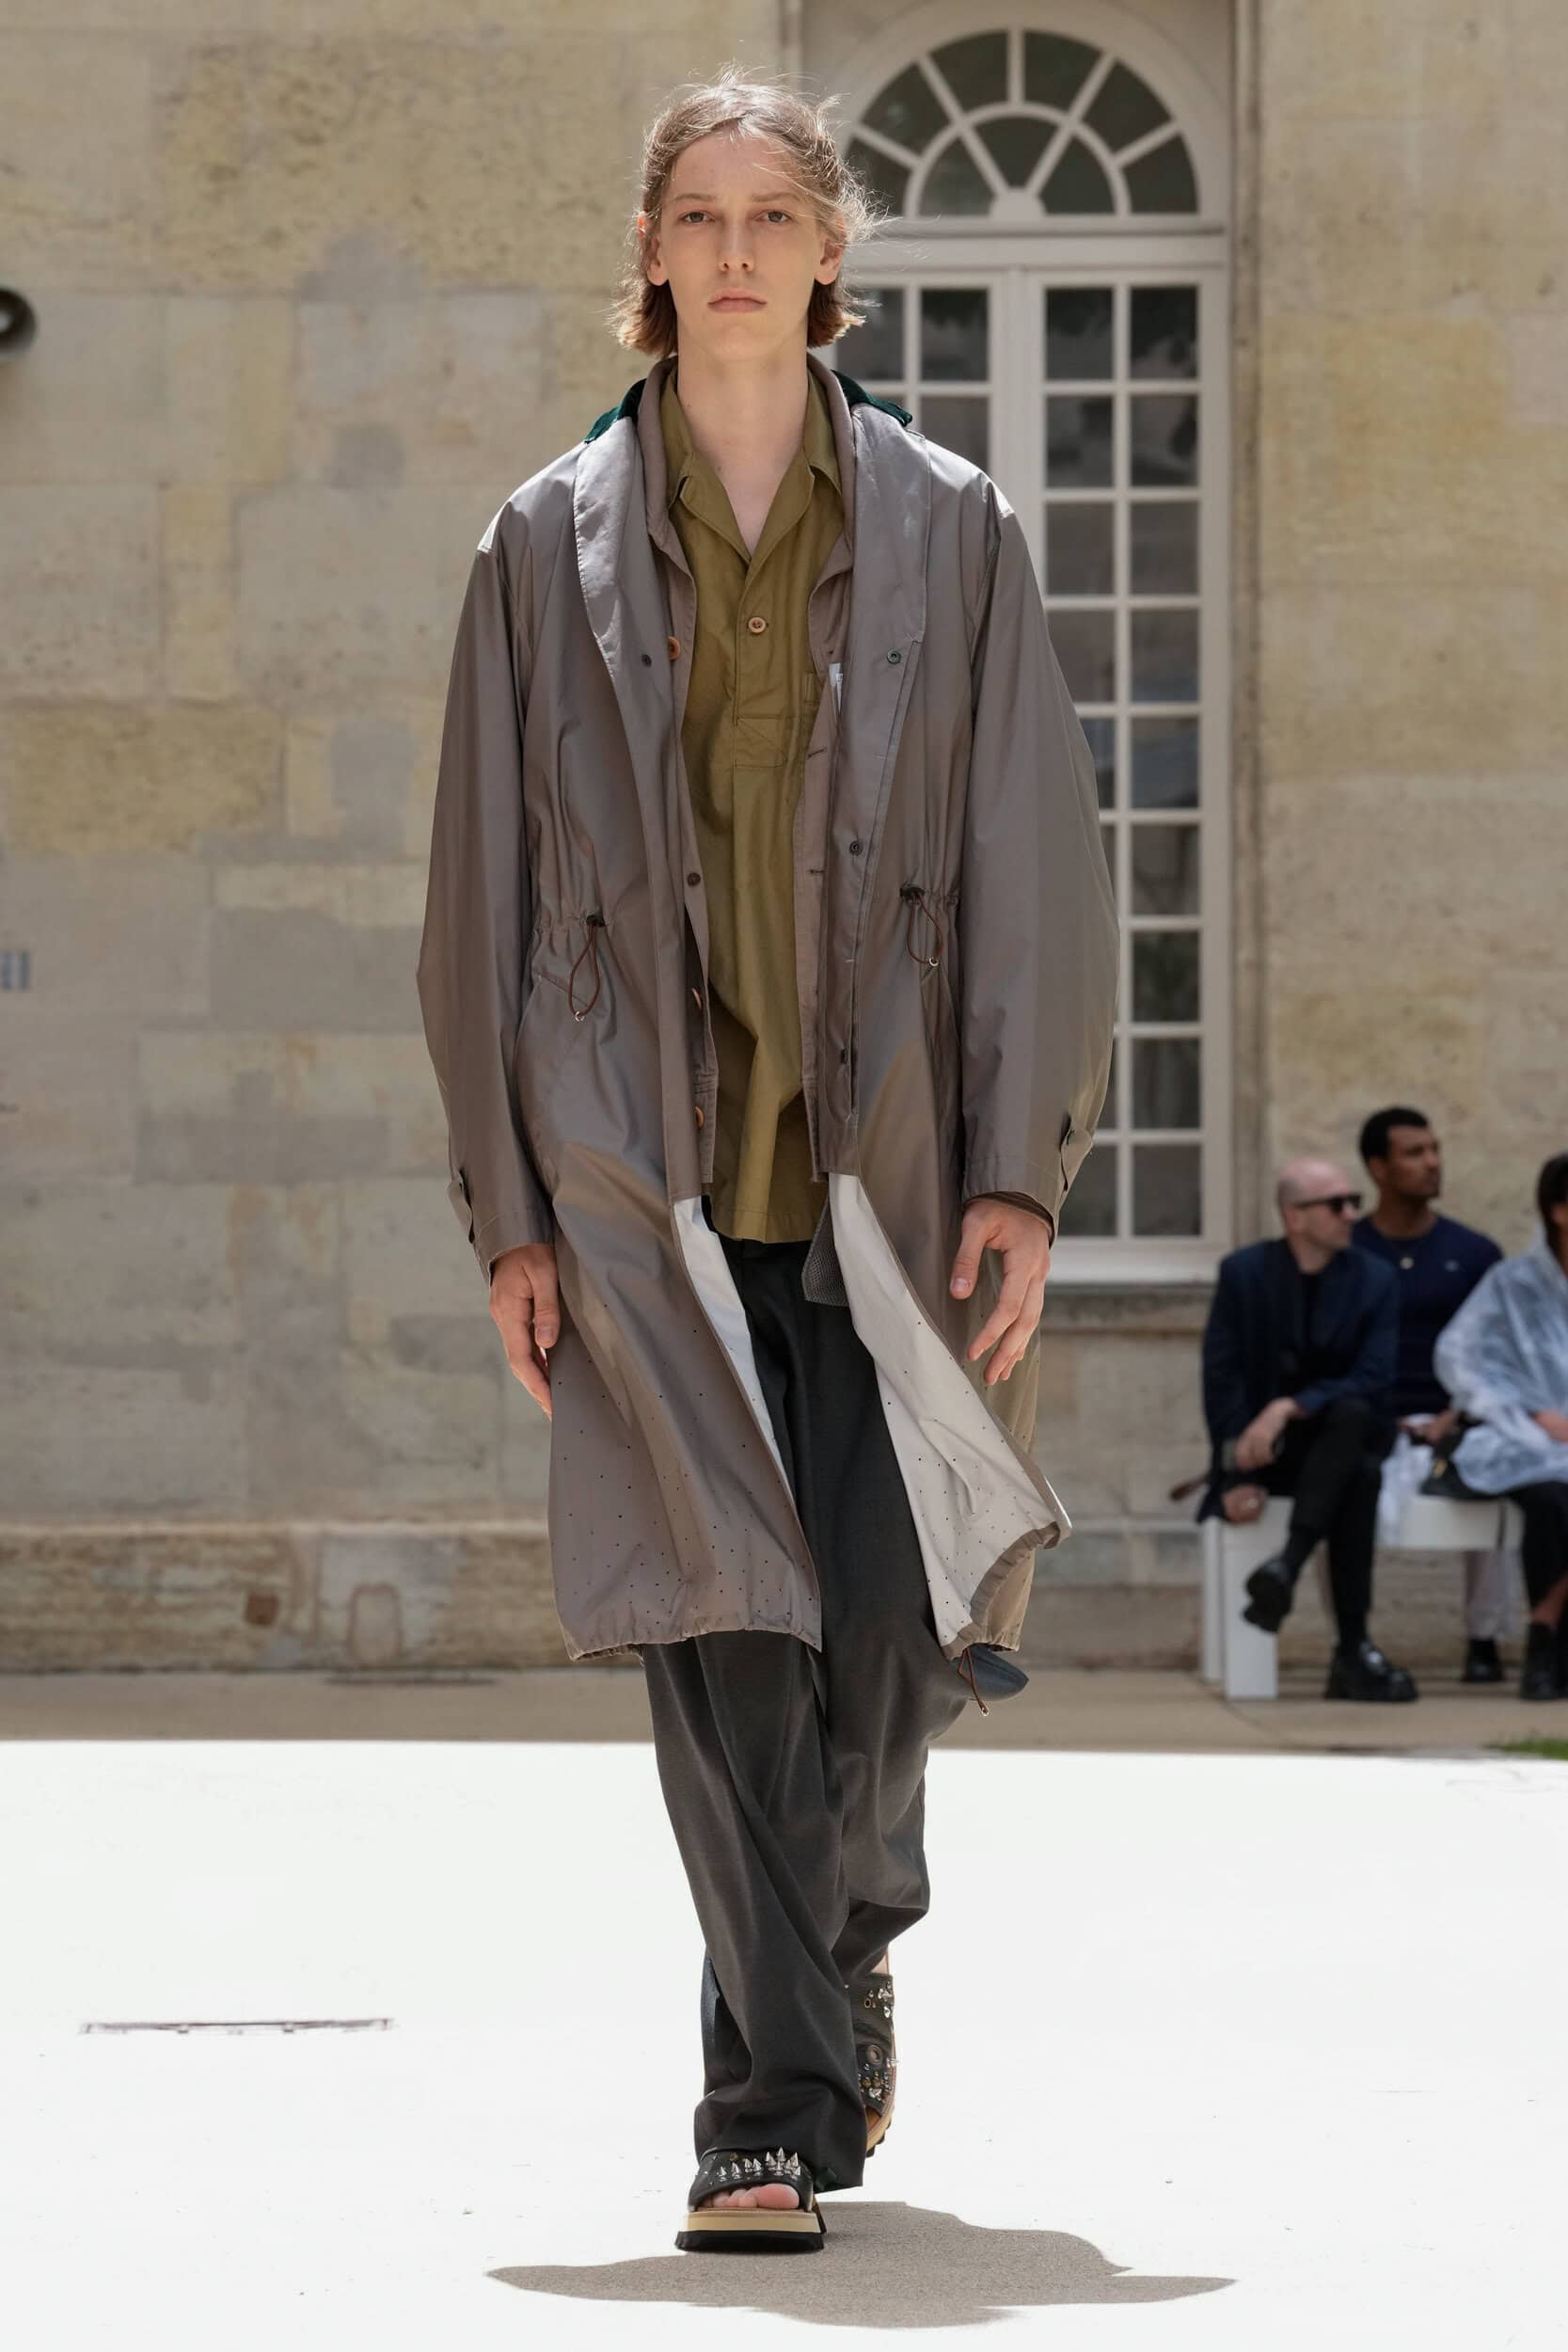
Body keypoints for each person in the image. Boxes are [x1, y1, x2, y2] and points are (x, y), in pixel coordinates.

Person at [415, 72, 1117, 2254]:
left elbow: (1028, 859)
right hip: (644, 1185)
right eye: (697, 216)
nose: (732, 251)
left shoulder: (948, 528)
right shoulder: (538, 546)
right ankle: (765, 2110)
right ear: (649, 253)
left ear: (830, 256)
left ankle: (850, 1918)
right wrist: (511, 1211)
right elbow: (477, 898)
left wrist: (1019, 1163)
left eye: (771, 215)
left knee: (888, 1632)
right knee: (723, 1629)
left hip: (888, 1173)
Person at [1199, 1156, 1418, 1700]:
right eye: (1337, 1204)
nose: (1351, 1214)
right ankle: (1352, 1651)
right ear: (1294, 1216)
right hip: (1274, 1456)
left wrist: (1289, 1406)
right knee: (1358, 1474)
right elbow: (1222, 1380)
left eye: (1353, 1202)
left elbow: (1374, 1377)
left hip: (1348, 1432)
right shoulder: (1245, 1273)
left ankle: (1288, 1566)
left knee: (1353, 1424)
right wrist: (1236, 1473)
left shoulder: (1375, 1279)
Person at [1351, 1105, 1511, 1681]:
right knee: (1337, 1484)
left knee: (1502, 1473)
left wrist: (1455, 1414)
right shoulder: (1349, 1250)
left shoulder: (1475, 1253)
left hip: (1458, 1420)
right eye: (1415, 1153)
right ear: (1378, 1168)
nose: (1433, 1163)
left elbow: (1498, 1354)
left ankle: (1484, 1640)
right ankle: (1353, 1638)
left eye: (1435, 1150)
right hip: (1369, 1419)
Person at [1433, 1153, 1568, 1703]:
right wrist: (1531, 1413)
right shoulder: (1512, 1284)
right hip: (1523, 1439)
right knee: (1553, 1500)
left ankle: (1546, 1634)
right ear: (1559, 1211)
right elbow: (1463, 1358)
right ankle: (1547, 1643)